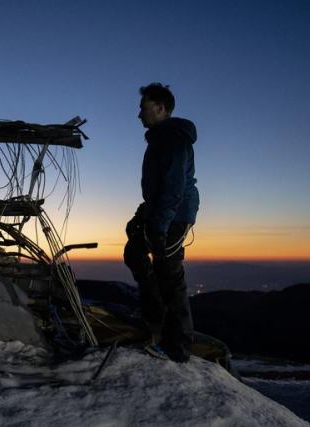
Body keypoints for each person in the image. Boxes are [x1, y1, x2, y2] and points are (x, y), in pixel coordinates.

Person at [124, 82, 199, 362]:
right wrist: (143, 213)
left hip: (174, 214)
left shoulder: (173, 139)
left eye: (143, 107)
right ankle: (155, 318)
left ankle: (177, 348)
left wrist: (159, 224)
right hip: (161, 210)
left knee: (169, 272)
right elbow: (159, 187)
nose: (139, 114)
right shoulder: (160, 138)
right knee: (135, 253)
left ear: (160, 108)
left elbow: (174, 188)